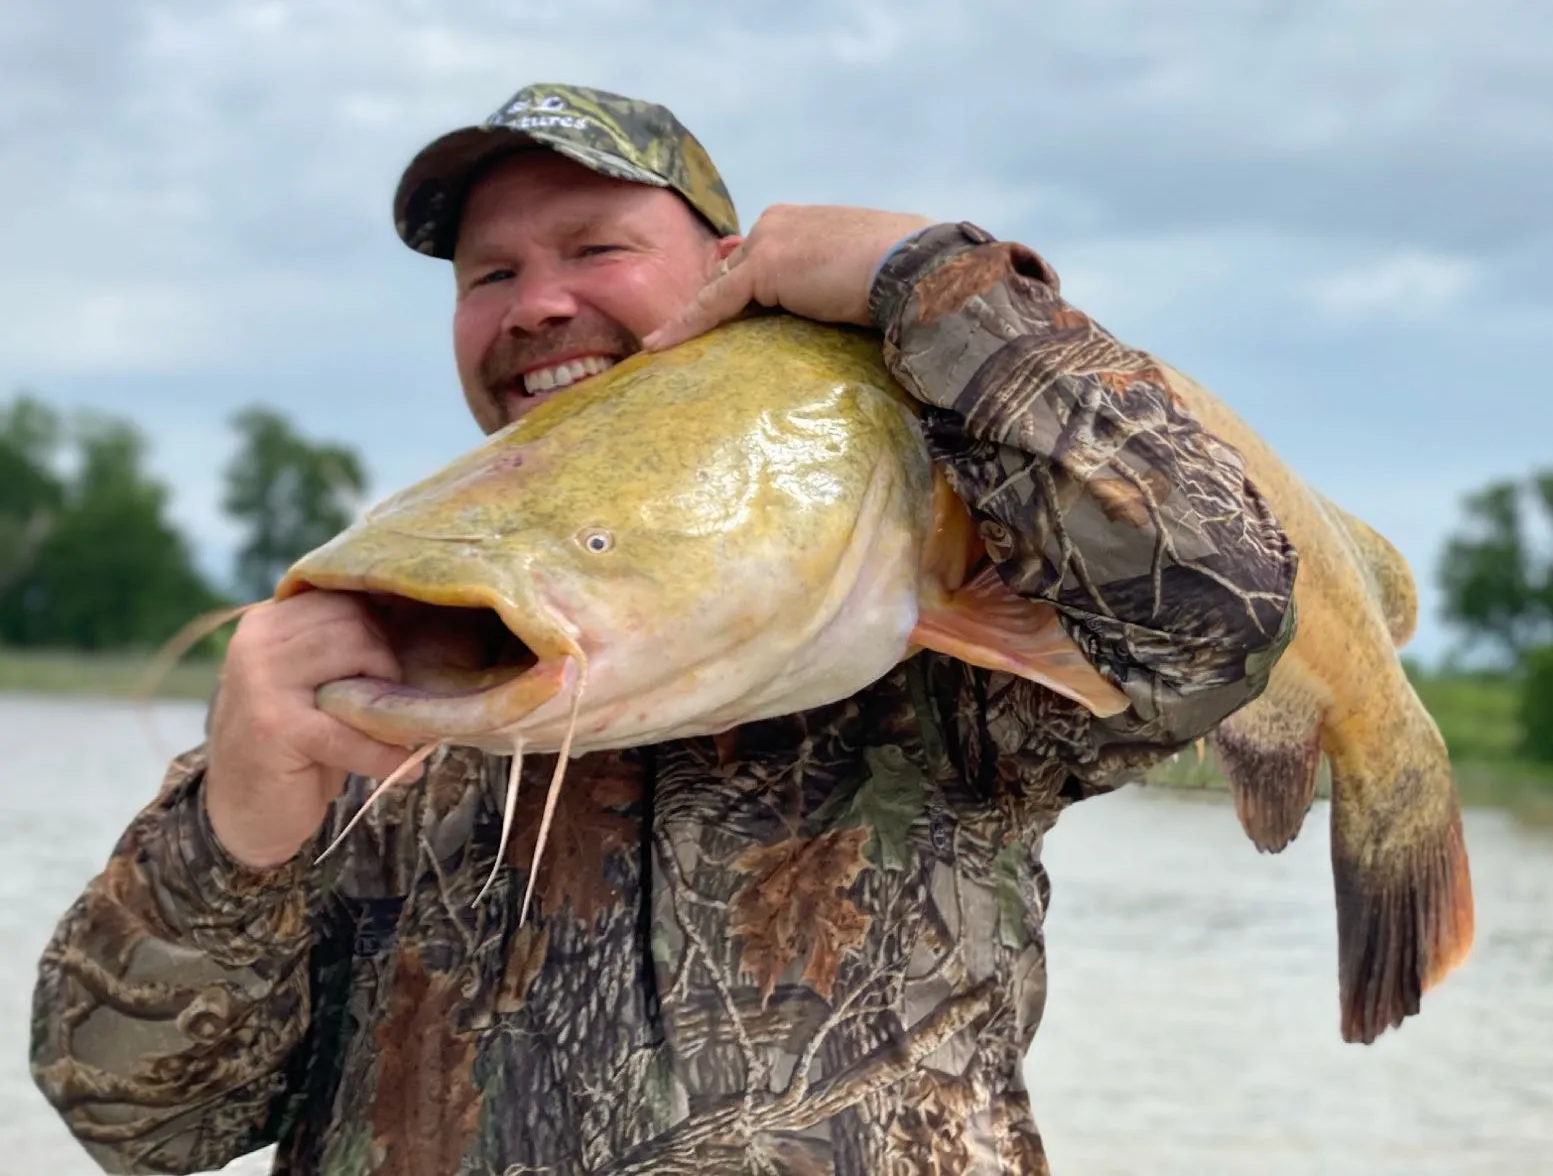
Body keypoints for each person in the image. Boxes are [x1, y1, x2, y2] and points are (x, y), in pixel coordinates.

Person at [31, 83, 1298, 1175]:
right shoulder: (379, 669)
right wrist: (236, 834)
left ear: (732, 273)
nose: (535, 306)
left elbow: (1218, 604)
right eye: (490, 276)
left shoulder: (930, 632)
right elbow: (138, 1127)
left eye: (594, 248)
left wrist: (928, 283)